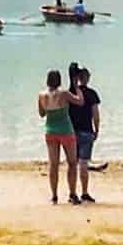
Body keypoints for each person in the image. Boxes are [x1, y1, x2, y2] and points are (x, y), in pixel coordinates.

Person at [38, 69, 79, 205]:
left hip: (50, 131)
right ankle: (72, 194)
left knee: (53, 165)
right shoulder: (64, 94)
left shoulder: (42, 95)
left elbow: (42, 114)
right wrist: (77, 87)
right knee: (72, 163)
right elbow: (80, 101)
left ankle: (54, 196)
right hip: (66, 130)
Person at [67, 62, 102, 203]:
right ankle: (84, 192)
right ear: (86, 78)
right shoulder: (92, 94)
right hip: (87, 132)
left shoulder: (70, 94)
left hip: (72, 132)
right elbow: (96, 115)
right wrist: (97, 130)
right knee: (83, 164)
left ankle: (72, 193)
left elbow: (66, 114)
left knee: (72, 164)